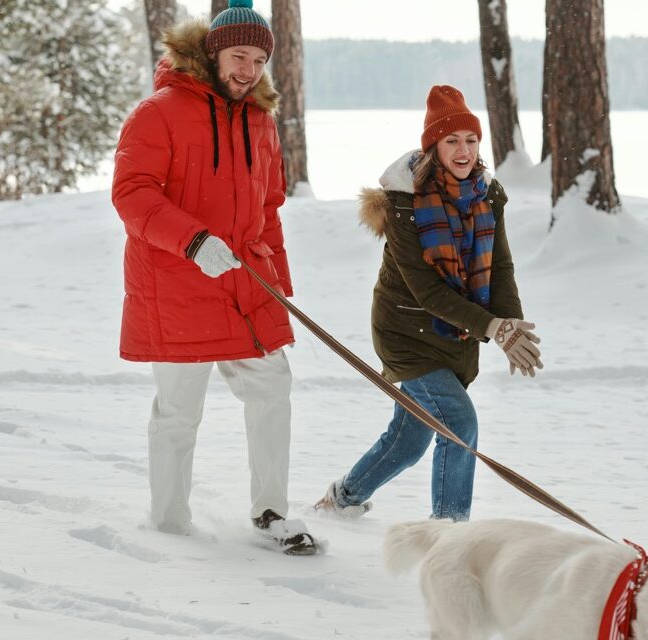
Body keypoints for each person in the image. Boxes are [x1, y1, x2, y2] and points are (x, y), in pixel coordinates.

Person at [111, 0, 316, 555]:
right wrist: (194, 241)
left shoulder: (261, 121)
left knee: (272, 388)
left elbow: (269, 209)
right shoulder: (158, 112)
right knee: (179, 411)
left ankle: (271, 512)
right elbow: (132, 194)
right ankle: (169, 523)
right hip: (175, 283)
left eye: (258, 60)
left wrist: (278, 287)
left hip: (245, 285)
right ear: (213, 53)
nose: (248, 70)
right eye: (239, 56)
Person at [314, 85, 544, 522]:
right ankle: (449, 534)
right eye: (452, 141)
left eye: (471, 140)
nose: (464, 151)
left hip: (455, 334)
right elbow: (428, 291)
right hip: (406, 332)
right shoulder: (405, 203)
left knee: (409, 439)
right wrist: (493, 328)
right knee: (458, 424)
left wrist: (511, 324)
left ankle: (341, 500)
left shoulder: (486, 196)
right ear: (433, 147)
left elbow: (500, 266)